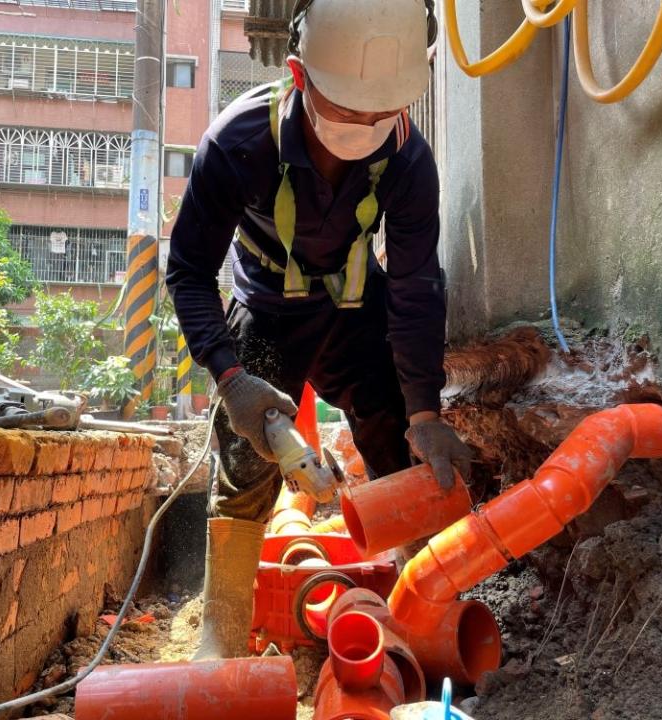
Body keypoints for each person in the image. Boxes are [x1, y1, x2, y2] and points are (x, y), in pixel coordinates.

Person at [165, 0, 472, 660]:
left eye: (380, 113)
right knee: (248, 456)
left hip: (355, 302)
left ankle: (420, 606)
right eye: (348, 111)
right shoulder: (236, 142)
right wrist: (229, 374)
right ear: (300, 78)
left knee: (396, 428)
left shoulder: (408, 159)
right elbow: (189, 270)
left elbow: (418, 287)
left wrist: (425, 410)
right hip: (269, 307)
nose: (366, 126)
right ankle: (222, 627)